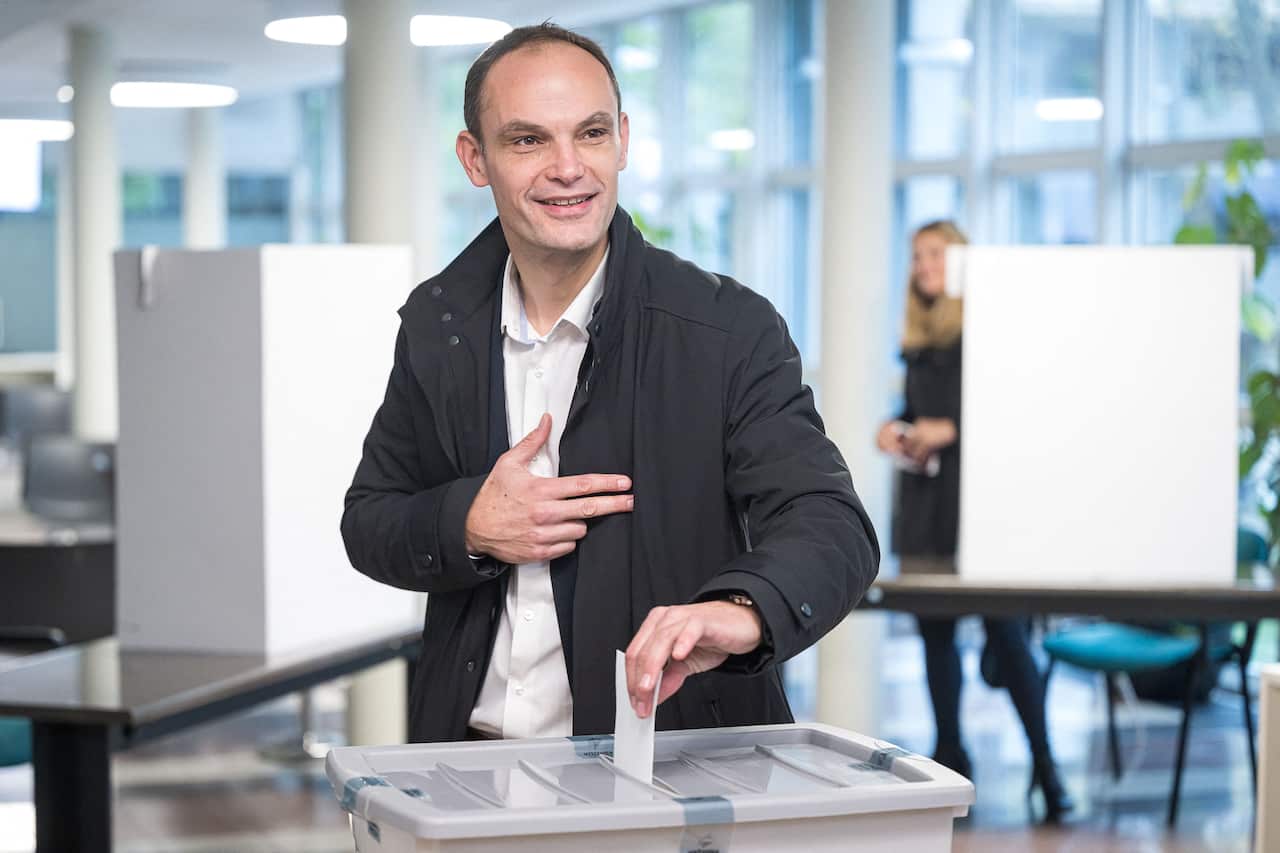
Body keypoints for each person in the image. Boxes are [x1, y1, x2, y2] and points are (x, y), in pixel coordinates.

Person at [341, 23, 879, 744]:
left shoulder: (727, 331)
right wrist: (469, 521)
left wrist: (742, 610)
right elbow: (370, 519)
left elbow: (832, 523)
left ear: (622, 140)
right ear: (475, 158)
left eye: (590, 134)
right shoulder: (437, 328)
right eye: (529, 140)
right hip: (467, 766)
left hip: (665, 762)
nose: (569, 167)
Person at [876, 220, 1073, 822]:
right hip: (931, 505)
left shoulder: (991, 334)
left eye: (935, 254)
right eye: (916, 257)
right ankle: (950, 759)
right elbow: (917, 412)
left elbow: (1018, 412)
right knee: (936, 638)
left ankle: (1046, 765)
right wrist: (898, 428)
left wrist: (951, 431)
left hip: (986, 506)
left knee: (1008, 639)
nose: (923, 266)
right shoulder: (918, 344)